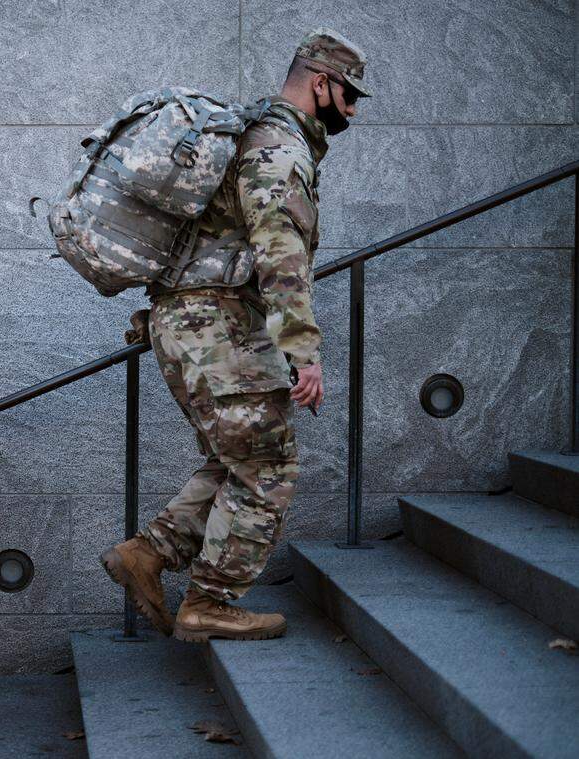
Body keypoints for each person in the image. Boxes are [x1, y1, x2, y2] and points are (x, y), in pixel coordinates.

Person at [102, 28, 371, 642]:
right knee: (269, 465)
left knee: (239, 457)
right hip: (216, 326)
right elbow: (280, 253)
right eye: (350, 95)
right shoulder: (278, 148)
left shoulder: (251, 136)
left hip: (190, 324)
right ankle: (209, 602)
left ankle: (149, 553)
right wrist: (304, 351)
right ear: (321, 83)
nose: (353, 110)